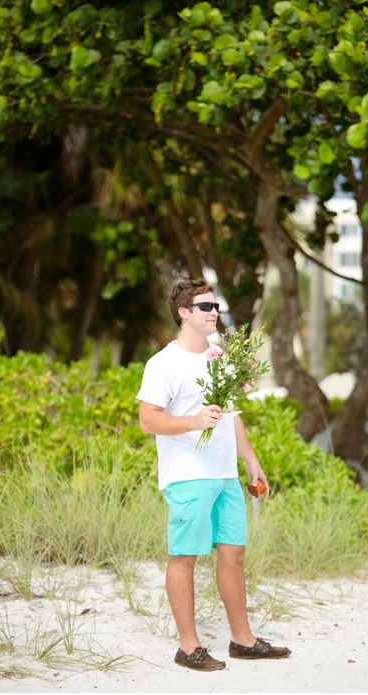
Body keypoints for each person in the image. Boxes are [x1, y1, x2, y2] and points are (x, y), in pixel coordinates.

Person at [136, 279, 290, 671]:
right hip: (188, 475)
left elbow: (231, 416)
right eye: (206, 306)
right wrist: (192, 421)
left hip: (224, 474)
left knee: (234, 554)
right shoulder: (163, 363)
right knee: (184, 557)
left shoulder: (219, 356)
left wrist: (251, 461)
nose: (214, 312)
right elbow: (147, 420)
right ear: (183, 313)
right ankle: (188, 646)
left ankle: (243, 640)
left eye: (216, 306)